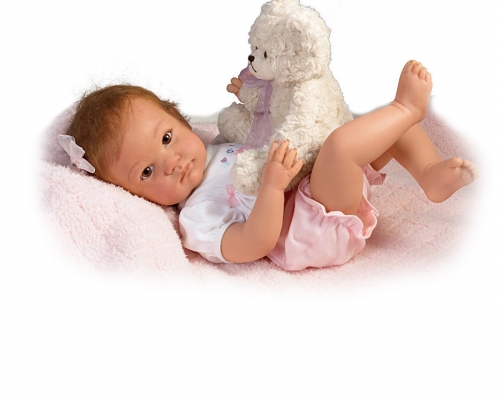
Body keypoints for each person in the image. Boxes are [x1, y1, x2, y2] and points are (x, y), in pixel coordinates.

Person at [62, 61, 477, 270]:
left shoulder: (219, 144)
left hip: (315, 183)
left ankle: (429, 175)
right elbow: (253, 243)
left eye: (167, 138)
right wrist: (273, 188)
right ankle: (407, 107)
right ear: (132, 194)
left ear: (178, 116)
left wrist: (257, 97)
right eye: (147, 173)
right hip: (309, 227)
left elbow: (266, 130)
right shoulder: (196, 219)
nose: (170, 163)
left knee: (384, 133)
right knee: (342, 146)